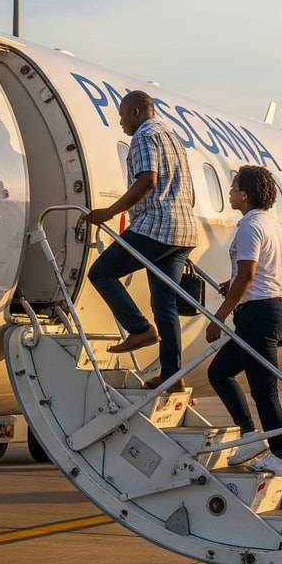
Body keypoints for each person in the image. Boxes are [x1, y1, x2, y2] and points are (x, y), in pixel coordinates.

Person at [84, 90, 197, 392]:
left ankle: (139, 329)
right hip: (183, 231)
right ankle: (172, 376)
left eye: (122, 115)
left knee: (102, 272)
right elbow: (190, 191)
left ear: (135, 112)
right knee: (165, 305)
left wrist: (109, 212)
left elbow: (148, 180)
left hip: (155, 227)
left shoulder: (144, 136)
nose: (120, 122)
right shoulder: (173, 138)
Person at [206, 165, 282, 478]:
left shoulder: (249, 225)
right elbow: (256, 272)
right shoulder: (270, 224)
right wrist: (234, 282)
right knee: (219, 372)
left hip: (260, 313)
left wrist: (219, 317)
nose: (229, 193)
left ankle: (280, 457)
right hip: (267, 309)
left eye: (233, 188)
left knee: (264, 390)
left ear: (245, 194)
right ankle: (250, 435)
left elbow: (248, 274)